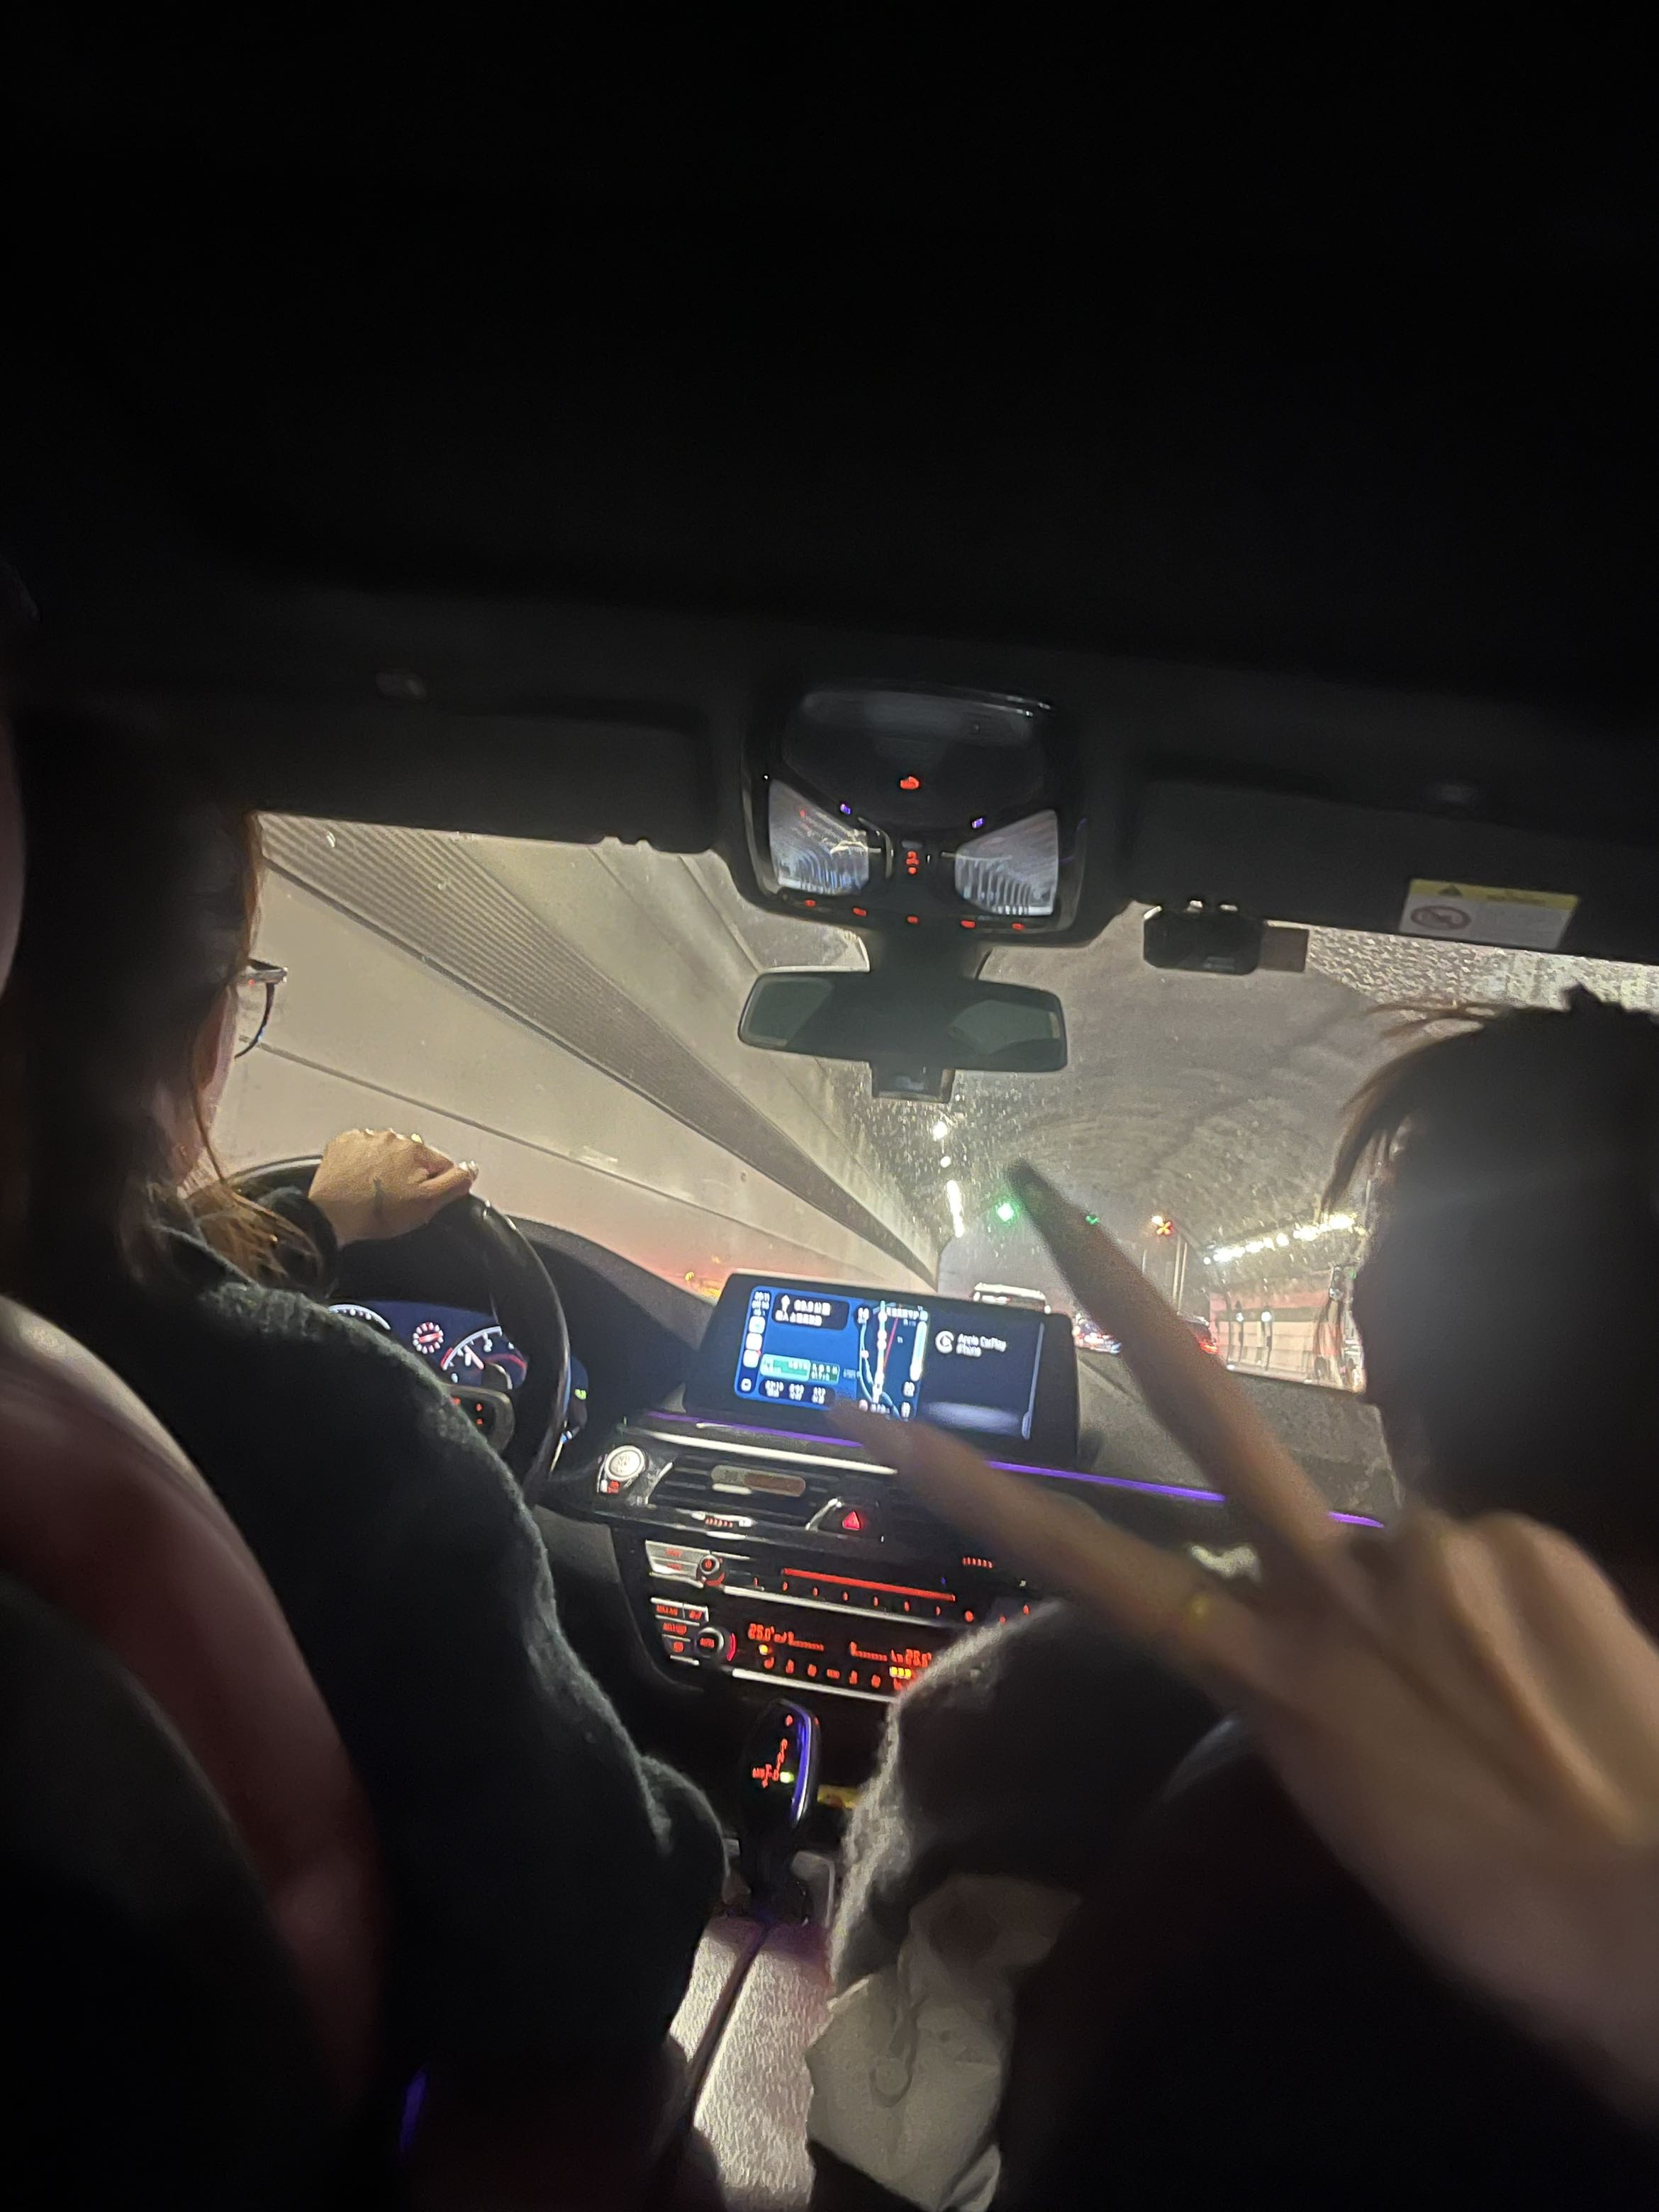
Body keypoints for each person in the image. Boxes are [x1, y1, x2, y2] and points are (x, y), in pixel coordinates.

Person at [0, 710, 725, 2082]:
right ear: (211, 1030)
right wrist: (704, 1829)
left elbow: (99, 1292)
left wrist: (317, 1226)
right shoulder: (351, 1434)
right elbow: (599, 1948)